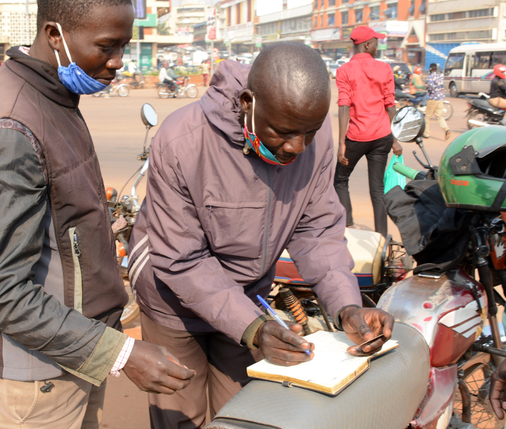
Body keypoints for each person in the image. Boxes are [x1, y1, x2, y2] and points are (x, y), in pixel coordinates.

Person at [0, 0, 194, 429]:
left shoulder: (53, 96)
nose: (119, 61)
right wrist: (120, 352)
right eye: (107, 46)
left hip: (70, 352)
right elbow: (0, 288)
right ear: (55, 34)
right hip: (36, 376)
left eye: (123, 45)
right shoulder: (10, 128)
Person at [127, 42, 395, 429]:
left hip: (247, 299)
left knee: (243, 415)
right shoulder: (182, 140)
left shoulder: (310, 137)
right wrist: (252, 328)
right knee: (182, 419)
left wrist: (346, 307)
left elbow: (317, 231)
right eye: (283, 133)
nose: (296, 148)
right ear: (248, 103)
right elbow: (181, 259)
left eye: (309, 133)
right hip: (173, 304)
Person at [334, 26, 402, 237]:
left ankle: (349, 226)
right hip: (381, 136)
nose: (378, 45)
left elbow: (344, 105)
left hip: (356, 136)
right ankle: (381, 236)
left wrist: (341, 144)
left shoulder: (344, 70)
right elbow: (390, 105)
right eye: (376, 42)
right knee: (377, 188)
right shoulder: (384, 69)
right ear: (366, 44)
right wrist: (394, 139)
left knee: (340, 179)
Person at [424, 63, 450, 140]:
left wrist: (427, 90)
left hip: (432, 98)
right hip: (440, 98)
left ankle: (426, 133)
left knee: (427, 117)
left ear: (430, 69)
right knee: (439, 116)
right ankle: (446, 129)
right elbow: (442, 87)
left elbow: (431, 87)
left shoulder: (430, 77)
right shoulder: (439, 77)